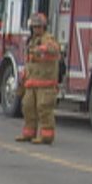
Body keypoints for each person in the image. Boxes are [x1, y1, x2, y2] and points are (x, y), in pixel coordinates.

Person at [16, 12, 61, 145]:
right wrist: (24, 76)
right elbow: (29, 62)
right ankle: (29, 133)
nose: (37, 30)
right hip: (31, 82)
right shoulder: (31, 41)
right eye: (34, 27)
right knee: (27, 107)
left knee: (44, 108)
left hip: (45, 84)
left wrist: (42, 49)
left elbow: (54, 48)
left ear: (44, 27)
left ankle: (46, 136)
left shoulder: (48, 38)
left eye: (39, 27)